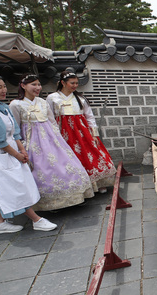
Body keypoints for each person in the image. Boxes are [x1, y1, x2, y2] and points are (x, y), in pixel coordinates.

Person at [0, 72, 57, 234]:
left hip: (10, 150)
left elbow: (14, 132)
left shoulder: (1, 106)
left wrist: (22, 149)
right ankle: (36, 219)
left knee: (3, 185)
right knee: (12, 185)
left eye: (4, 86)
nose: (4, 90)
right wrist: (17, 154)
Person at [9, 74, 94, 210]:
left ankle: (72, 196)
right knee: (42, 169)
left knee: (66, 164)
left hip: (51, 138)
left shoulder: (42, 102)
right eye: (34, 85)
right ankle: (49, 203)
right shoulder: (15, 104)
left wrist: (58, 139)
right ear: (23, 86)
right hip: (32, 142)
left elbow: (52, 122)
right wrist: (21, 146)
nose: (38, 88)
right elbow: (15, 128)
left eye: (39, 84)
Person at [46, 70, 116, 192]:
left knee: (90, 155)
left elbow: (89, 116)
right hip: (63, 133)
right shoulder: (52, 98)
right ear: (63, 82)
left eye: (76, 83)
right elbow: (50, 117)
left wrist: (94, 134)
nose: (75, 86)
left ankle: (98, 183)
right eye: (72, 83)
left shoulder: (80, 98)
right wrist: (53, 135)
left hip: (82, 132)